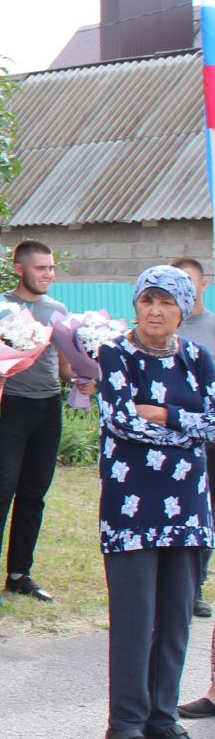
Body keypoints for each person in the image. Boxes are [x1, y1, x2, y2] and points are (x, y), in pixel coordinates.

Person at [91, 265, 214, 739]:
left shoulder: (199, 358)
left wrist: (161, 414)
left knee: (176, 617)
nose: (156, 311)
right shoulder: (116, 353)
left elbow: (212, 419)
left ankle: (163, 719)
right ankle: (125, 724)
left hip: (188, 504)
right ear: (136, 304)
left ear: (183, 308)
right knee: (136, 618)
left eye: (167, 302)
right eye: (148, 301)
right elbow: (120, 419)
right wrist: (185, 427)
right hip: (131, 505)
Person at [0, 240, 87, 608]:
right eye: (41, 268)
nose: (48, 275)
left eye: (51, 268)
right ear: (20, 269)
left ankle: (20, 574)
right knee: (1, 489)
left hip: (47, 406)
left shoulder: (57, 310)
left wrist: (84, 376)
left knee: (34, 492)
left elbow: (67, 365)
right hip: (10, 407)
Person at [169, 257, 215, 619]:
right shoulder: (161, 329)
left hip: (207, 437)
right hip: (164, 440)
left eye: (187, 281)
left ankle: (195, 586)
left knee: (205, 513)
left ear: (203, 285)